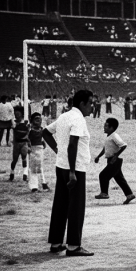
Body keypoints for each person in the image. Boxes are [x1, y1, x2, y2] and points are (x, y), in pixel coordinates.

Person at [42, 90, 94, 257]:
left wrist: (58, 150)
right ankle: (73, 245)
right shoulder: (78, 119)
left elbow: (46, 132)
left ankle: (56, 243)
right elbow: (73, 145)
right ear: (82, 104)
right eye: (90, 103)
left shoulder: (64, 116)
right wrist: (72, 171)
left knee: (60, 204)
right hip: (75, 168)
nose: (92, 107)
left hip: (61, 165)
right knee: (76, 207)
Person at [93, 117, 135, 204]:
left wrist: (116, 155)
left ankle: (104, 193)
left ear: (112, 128)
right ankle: (129, 195)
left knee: (103, 175)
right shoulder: (109, 137)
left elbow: (123, 145)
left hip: (114, 161)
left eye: (106, 126)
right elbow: (105, 149)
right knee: (119, 179)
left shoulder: (114, 136)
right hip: (111, 160)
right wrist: (98, 156)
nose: (104, 128)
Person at [27, 112, 49, 192]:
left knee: (40, 166)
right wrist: (28, 146)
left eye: (40, 119)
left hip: (40, 149)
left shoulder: (41, 129)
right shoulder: (30, 130)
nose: (38, 121)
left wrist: (43, 142)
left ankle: (43, 183)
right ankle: (34, 186)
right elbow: (27, 138)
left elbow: (42, 138)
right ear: (32, 120)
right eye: (36, 119)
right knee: (33, 168)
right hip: (33, 149)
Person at [9, 109, 30, 182]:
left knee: (24, 157)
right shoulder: (14, 122)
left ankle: (25, 174)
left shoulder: (26, 122)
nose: (17, 115)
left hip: (24, 142)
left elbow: (28, 132)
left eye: (18, 114)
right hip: (16, 143)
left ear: (21, 114)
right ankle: (12, 172)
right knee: (15, 159)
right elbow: (13, 133)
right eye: (15, 114)